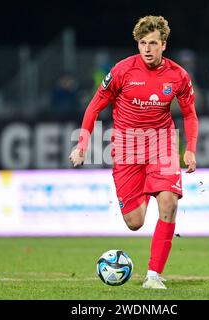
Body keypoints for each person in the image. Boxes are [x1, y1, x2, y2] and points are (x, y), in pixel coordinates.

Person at [69, 15, 198, 289]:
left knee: (169, 203)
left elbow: (190, 115)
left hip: (162, 145)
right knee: (135, 222)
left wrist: (190, 150)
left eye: (153, 43)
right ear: (137, 44)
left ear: (164, 44)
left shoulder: (178, 76)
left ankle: (153, 275)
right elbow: (94, 107)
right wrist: (82, 145)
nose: (147, 49)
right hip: (126, 150)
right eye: (142, 43)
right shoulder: (122, 71)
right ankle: (152, 189)